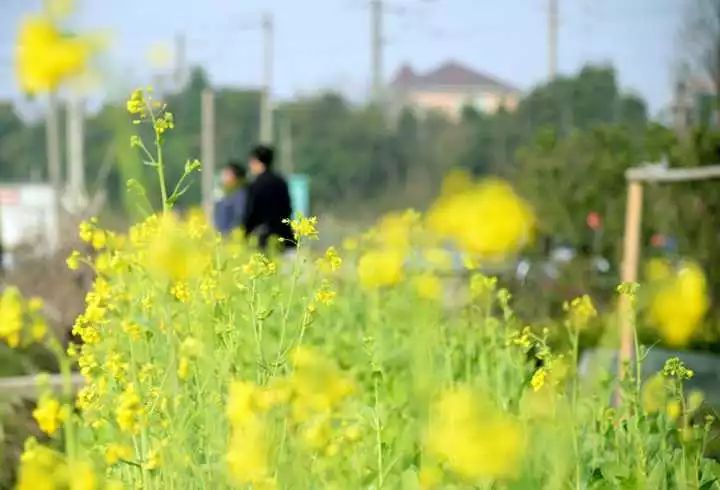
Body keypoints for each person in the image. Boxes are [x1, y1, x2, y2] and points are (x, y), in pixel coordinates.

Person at [243, 145, 294, 250]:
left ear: (256, 161)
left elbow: (251, 212)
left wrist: (245, 234)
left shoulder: (255, 184)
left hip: (263, 238)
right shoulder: (280, 181)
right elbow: (288, 208)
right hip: (284, 235)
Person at [213, 161, 247, 235]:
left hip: (233, 238)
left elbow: (239, 218)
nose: (223, 177)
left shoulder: (241, 194)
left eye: (227, 174)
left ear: (236, 177)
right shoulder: (222, 193)